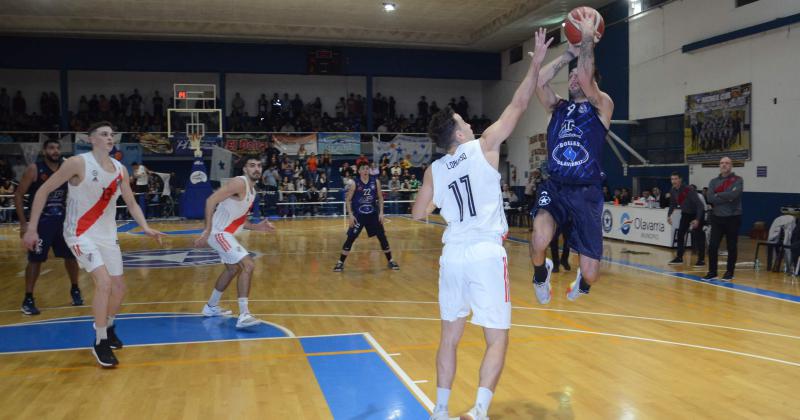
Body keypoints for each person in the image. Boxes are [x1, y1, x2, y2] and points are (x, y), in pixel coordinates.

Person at [412, 28, 549, 420]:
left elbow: (418, 214)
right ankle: (477, 412)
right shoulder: (484, 145)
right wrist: (536, 62)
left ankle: (439, 410)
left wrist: (442, 197)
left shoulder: (434, 170)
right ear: (458, 132)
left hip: (452, 254)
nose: (469, 123)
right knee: (496, 338)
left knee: (449, 339)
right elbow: (519, 104)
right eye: (463, 121)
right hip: (487, 253)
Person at [23, 121, 164, 367]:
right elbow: (43, 191)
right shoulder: (77, 163)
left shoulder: (120, 169)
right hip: (80, 233)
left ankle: (108, 326)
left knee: (119, 288)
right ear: (91, 139)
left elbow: (130, 203)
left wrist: (145, 227)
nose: (109, 137)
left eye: (111, 134)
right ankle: (99, 341)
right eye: (104, 134)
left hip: (107, 235)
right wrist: (32, 227)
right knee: (104, 283)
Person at [530, 11, 614, 305]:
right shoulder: (559, 107)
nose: (574, 77)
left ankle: (583, 281)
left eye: (579, 73)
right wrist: (568, 53)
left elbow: (588, 78)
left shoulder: (602, 106)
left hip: (587, 192)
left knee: (591, 274)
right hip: (556, 187)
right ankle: (541, 274)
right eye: (572, 75)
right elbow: (538, 80)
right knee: (539, 240)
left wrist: (588, 36)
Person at [195, 157, 276, 328]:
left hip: (224, 233)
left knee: (232, 269)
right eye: (252, 165)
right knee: (248, 265)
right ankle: (244, 315)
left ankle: (211, 307)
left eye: (259, 166)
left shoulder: (252, 192)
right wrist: (207, 229)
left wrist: (257, 227)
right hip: (218, 233)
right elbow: (210, 201)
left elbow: (239, 220)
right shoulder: (239, 183)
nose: (257, 169)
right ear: (245, 169)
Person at [14, 139, 82, 314]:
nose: (56, 151)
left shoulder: (67, 169)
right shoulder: (34, 169)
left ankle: (75, 289)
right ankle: (28, 298)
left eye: (58, 148)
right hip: (41, 224)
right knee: (35, 260)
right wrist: (24, 224)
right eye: (52, 148)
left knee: (71, 257)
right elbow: (19, 195)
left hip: (62, 223)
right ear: (44, 151)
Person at [333, 162, 399, 272]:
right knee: (351, 238)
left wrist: (381, 212)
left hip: (373, 215)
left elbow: (381, 198)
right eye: (363, 169)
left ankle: (391, 261)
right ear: (359, 171)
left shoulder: (375, 181)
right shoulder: (355, 183)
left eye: (367, 169)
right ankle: (340, 262)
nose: (365, 171)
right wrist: (350, 215)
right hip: (358, 216)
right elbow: (348, 200)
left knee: (382, 237)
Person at [704, 157, 743, 281]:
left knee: (731, 246)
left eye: (726, 163)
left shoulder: (737, 180)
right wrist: (725, 196)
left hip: (733, 218)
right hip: (717, 218)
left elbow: (734, 195)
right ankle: (712, 272)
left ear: (731, 165)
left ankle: (729, 272)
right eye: (721, 163)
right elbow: (709, 198)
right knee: (712, 246)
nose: (724, 165)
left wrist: (717, 195)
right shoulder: (713, 181)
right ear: (719, 165)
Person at [666, 172, 705, 267]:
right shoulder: (673, 190)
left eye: (675, 179)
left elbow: (700, 206)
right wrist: (669, 215)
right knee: (680, 234)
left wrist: (697, 219)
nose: (673, 181)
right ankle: (679, 258)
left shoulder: (689, 190)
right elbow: (673, 204)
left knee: (698, 235)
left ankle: (701, 259)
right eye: (672, 179)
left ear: (680, 179)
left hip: (697, 213)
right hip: (686, 214)